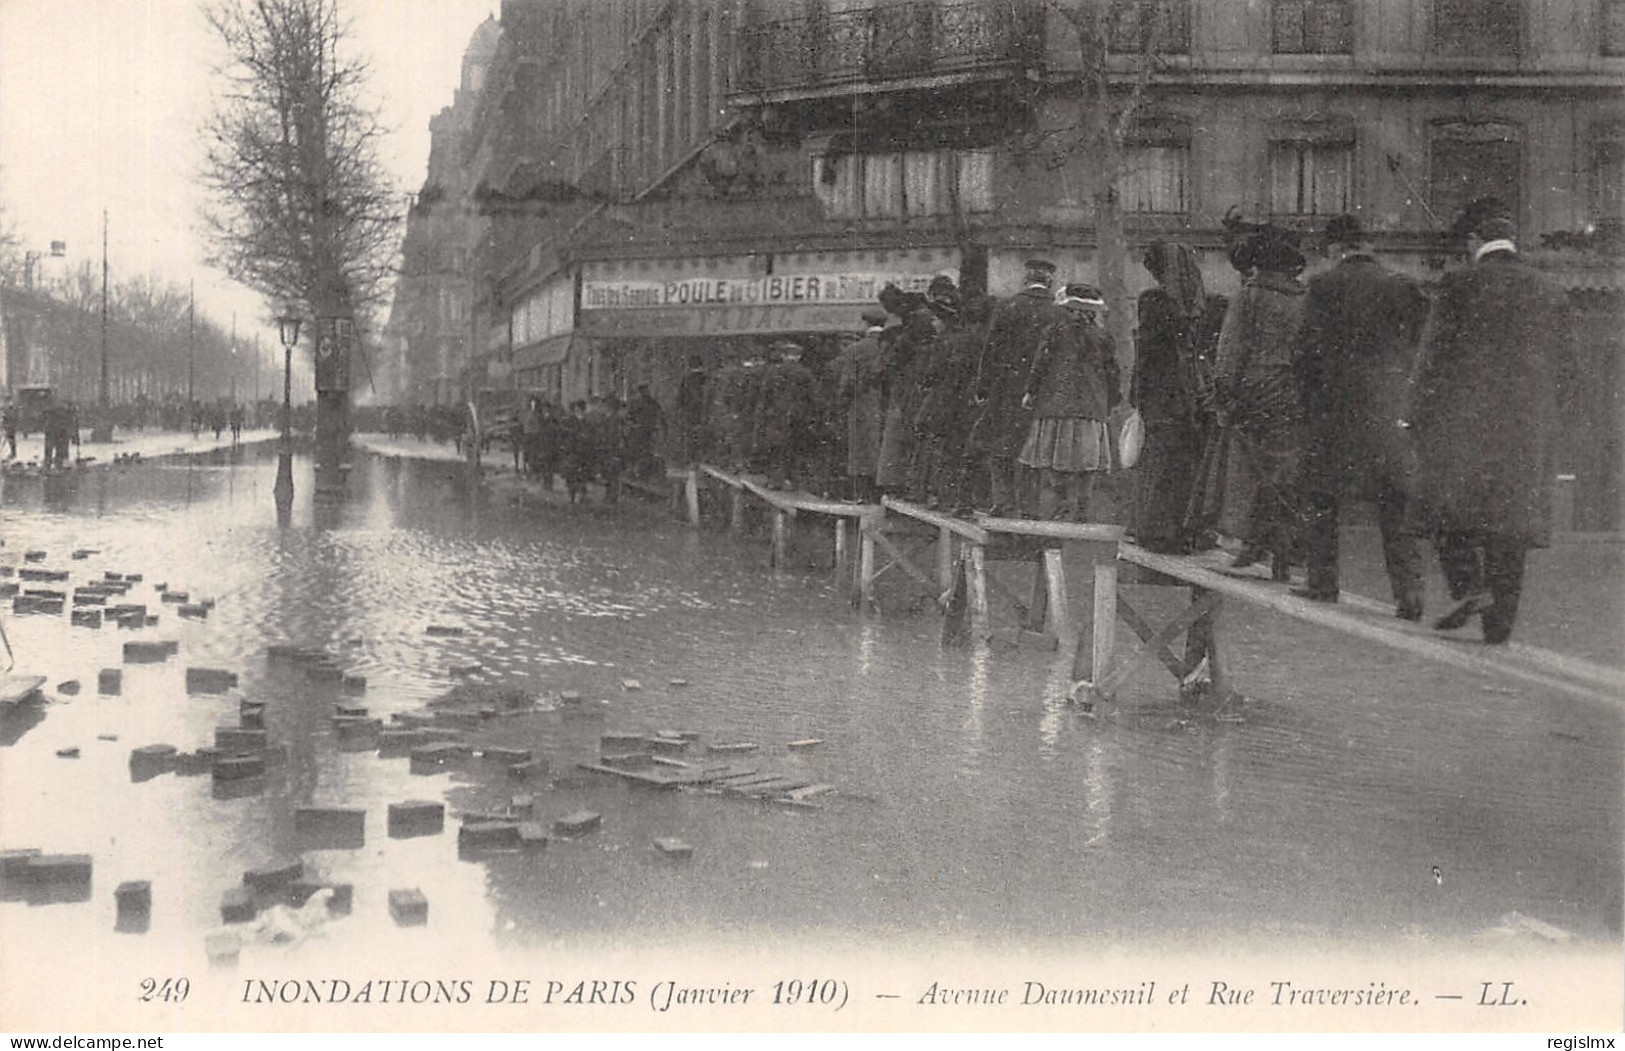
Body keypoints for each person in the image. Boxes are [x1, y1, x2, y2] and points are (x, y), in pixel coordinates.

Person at [1402, 203, 1571, 644]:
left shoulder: (1458, 284)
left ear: (1475, 244)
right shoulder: (1551, 290)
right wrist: (1555, 421)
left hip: (1464, 424)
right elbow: (1570, 371)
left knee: (1444, 508)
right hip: (1527, 430)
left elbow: (1431, 355)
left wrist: (1414, 413)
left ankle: (1471, 587)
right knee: (1511, 528)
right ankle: (1499, 631)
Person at [1294, 214, 1430, 618]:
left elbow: (1303, 353)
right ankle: (1410, 594)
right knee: (1396, 503)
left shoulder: (1321, 285)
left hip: (1334, 410)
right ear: (1364, 245)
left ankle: (1322, 583)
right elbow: (1423, 349)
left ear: (1334, 248)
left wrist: (1310, 401)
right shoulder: (1402, 284)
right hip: (1388, 410)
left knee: (1321, 496)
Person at [1191, 224, 1310, 580]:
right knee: (1284, 472)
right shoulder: (1304, 298)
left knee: (1245, 472)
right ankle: (1283, 550)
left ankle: (1249, 542)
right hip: (1293, 396)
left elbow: (1230, 351)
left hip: (1253, 393)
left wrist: (1223, 395)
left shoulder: (1249, 297)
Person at [1131, 241, 1216, 553]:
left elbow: (1147, 355)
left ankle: (1155, 530)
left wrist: (1137, 396)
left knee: (1159, 462)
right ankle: (1185, 530)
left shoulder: (1154, 301)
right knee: (1185, 464)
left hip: (1161, 395)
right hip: (1190, 393)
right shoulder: (1199, 304)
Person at [1017, 284, 1121, 521]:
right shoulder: (1102, 336)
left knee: (1054, 460)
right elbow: (1112, 373)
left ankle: (1061, 505)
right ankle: (1081, 509)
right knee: (1087, 463)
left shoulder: (1055, 331)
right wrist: (1112, 400)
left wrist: (1031, 392)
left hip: (1056, 404)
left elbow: (1040, 366)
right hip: (1091, 407)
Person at [973, 259, 1065, 515]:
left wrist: (983, 387)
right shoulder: (1058, 312)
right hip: (1043, 392)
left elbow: (991, 350)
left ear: (1026, 279)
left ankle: (1003, 502)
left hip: (1006, 389)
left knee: (1002, 446)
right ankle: (1031, 508)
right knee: (1034, 448)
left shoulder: (1007, 306)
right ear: (1049, 281)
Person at [835, 308, 889, 503]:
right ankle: (884, 492)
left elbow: (847, 382)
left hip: (863, 402)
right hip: (890, 403)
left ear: (865, 324)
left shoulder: (856, 349)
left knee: (861, 447)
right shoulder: (891, 344)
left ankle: (862, 494)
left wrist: (842, 400)